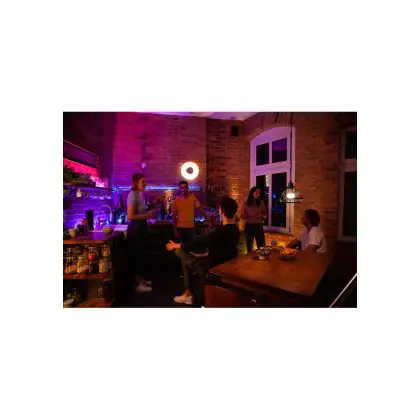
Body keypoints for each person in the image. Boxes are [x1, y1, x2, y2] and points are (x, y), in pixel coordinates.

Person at [166, 196, 240, 305]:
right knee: (186, 259)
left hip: (213, 269)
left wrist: (175, 245)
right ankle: (188, 294)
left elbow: (198, 244)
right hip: (224, 265)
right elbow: (222, 251)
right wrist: (203, 255)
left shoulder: (220, 231)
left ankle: (188, 295)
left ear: (221, 211)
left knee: (181, 253)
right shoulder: (235, 230)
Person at [126, 173, 153, 292]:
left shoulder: (138, 195)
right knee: (137, 256)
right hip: (135, 229)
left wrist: (152, 206)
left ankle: (141, 280)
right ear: (136, 183)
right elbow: (130, 216)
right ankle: (137, 285)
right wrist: (148, 216)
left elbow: (141, 211)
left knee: (141, 255)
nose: (145, 184)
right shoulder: (133, 195)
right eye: (143, 182)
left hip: (140, 228)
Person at [241, 186, 267, 253]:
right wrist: (247, 215)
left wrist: (261, 215)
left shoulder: (261, 202)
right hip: (249, 226)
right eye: (257, 192)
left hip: (258, 226)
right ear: (252, 192)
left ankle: (262, 258)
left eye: (259, 193)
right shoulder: (246, 203)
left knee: (262, 246)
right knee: (249, 247)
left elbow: (265, 215)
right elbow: (242, 216)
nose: (258, 194)